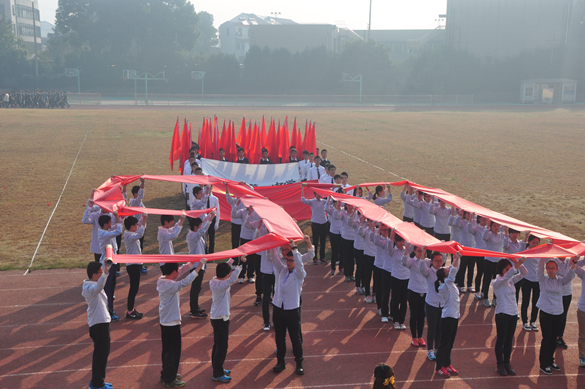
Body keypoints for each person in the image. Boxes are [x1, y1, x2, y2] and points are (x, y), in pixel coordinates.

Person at [158, 259, 206, 387]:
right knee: (173, 352)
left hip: (166, 321)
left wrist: (190, 263)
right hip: (171, 322)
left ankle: (167, 373)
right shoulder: (171, 285)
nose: (179, 272)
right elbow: (185, 282)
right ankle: (169, 379)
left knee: (167, 350)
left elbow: (180, 273)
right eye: (177, 270)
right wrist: (198, 268)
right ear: (173, 272)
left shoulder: (162, 279)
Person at [269, 236, 313, 376]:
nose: (288, 263)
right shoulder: (281, 270)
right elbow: (273, 256)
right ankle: (280, 362)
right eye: (287, 260)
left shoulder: (299, 274)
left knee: (295, 338)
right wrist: (273, 240)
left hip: (292, 310)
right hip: (278, 308)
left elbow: (299, 265)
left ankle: (299, 363)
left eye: (291, 260)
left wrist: (294, 248)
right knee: (279, 337)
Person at [537, 256, 576, 374]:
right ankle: (543, 364)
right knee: (547, 338)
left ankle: (550, 360)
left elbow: (570, 275)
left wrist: (573, 263)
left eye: (553, 268)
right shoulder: (542, 279)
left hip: (558, 313)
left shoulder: (561, 281)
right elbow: (539, 267)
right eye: (548, 268)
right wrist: (543, 256)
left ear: (557, 269)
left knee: (554, 339)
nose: (550, 270)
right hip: (546, 313)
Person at [209, 257, 244, 383]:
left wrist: (232, 258)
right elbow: (232, 278)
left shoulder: (214, 280)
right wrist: (240, 264)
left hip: (217, 317)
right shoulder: (222, 285)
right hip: (221, 319)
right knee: (221, 347)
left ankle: (218, 369)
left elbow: (227, 272)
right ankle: (217, 373)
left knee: (217, 345)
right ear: (226, 274)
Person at [492, 257, 527, 376]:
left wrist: (517, 263)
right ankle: (499, 364)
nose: (509, 271)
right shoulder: (496, 282)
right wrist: (515, 266)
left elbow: (525, 273)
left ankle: (507, 363)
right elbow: (507, 276)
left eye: (509, 269)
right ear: (501, 270)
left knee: (509, 340)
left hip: (512, 314)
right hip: (502, 314)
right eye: (506, 269)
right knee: (501, 340)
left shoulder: (511, 281)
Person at [83, 260, 113, 389]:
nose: (102, 274)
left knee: (102, 354)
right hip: (98, 325)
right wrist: (106, 272)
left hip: (102, 323)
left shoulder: (92, 285)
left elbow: (100, 286)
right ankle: (97, 384)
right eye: (100, 273)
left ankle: (98, 381)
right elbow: (99, 287)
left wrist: (105, 269)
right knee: (100, 355)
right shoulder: (89, 288)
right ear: (95, 275)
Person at [435, 252, 462, 378]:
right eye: (447, 270)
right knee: (444, 344)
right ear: (444, 275)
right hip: (447, 318)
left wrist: (458, 258)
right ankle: (439, 367)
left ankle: (447, 364)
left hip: (455, 317)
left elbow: (454, 268)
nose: (449, 269)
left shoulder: (450, 283)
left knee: (450, 344)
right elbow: (453, 271)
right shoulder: (444, 286)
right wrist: (455, 258)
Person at [186, 212, 216, 319]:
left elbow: (202, 225)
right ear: (195, 227)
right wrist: (210, 219)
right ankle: (194, 310)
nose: (200, 227)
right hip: (196, 266)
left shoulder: (194, 234)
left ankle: (195, 307)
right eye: (199, 226)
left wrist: (209, 217)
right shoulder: (193, 236)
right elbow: (203, 230)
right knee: (195, 288)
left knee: (197, 288)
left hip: (199, 265)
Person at [420, 251, 445, 361]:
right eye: (436, 261)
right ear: (431, 261)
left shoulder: (444, 272)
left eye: (440, 260)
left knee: (440, 328)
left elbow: (455, 270)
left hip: (442, 305)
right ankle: (430, 350)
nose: (439, 263)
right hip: (431, 304)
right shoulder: (429, 272)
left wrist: (456, 256)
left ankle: (437, 348)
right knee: (432, 328)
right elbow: (421, 268)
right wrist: (422, 254)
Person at [98, 213, 122, 321]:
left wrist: (119, 217)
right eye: (110, 222)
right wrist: (117, 217)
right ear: (105, 224)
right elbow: (118, 231)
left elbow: (116, 227)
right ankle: (108, 311)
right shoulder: (104, 233)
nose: (111, 223)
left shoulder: (105, 231)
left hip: (112, 261)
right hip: (108, 264)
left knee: (111, 288)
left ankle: (109, 309)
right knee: (108, 288)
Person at [123, 214, 148, 319]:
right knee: (133, 289)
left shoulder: (131, 233)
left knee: (135, 288)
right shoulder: (129, 235)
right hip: (133, 265)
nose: (138, 226)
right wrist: (144, 221)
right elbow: (140, 234)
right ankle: (130, 311)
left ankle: (131, 309)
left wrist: (143, 219)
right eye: (136, 224)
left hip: (136, 264)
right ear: (132, 226)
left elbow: (139, 233)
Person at [403, 244, 427, 347]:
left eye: (422, 251)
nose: (420, 253)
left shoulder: (427, 261)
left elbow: (440, 261)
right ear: (414, 251)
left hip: (425, 292)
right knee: (414, 314)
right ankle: (414, 337)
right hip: (413, 291)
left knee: (422, 315)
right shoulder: (411, 261)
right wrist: (406, 250)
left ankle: (420, 336)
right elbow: (404, 262)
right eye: (418, 251)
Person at [124, 178, 148, 274]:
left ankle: (139, 264)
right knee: (138, 247)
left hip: (138, 226)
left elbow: (138, 192)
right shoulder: (135, 202)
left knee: (139, 246)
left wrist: (141, 182)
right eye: (138, 192)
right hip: (137, 228)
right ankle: (139, 265)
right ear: (135, 194)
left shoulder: (136, 201)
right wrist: (142, 182)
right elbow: (140, 194)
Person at [301, 184, 328, 264]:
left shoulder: (324, 202)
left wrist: (332, 189)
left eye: (320, 194)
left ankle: (322, 257)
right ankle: (315, 257)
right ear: (315, 194)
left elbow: (332, 200)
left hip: (324, 223)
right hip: (315, 223)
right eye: (317, 193)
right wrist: (302, 188)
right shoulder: (312, 202)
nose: (319, 195)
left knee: (323, 241)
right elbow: (303, 200)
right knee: (315, 241)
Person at [481, 220, 506, 307]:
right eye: (494, 225)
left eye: (498, 225)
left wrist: (501, 218)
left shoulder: (501, 235)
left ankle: (495, 298)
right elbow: (483, 237)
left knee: (497, 280)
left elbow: (507, 235)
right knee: (487, 280)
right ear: (491, 226)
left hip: (499, 261)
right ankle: (485, 298)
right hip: (489, 260)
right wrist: (487, 227)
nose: (496, 227)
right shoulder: (488, 234)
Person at [521, 234, 542, 331]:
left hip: (537, 280)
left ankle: (533, 321)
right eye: (533, 242)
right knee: (526, 301)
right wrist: (525, 237)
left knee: (536, 302)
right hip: (527, 279)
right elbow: (520, 253)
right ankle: (525, 322)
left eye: (537, 243)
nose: (535, 244)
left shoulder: (540, 252)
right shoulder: (526, 251)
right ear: (529, 242)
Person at [389, 230, 409, 330]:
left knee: (404, 301)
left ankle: (402, 321)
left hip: (406, 278)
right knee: (396, 300)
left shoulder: (407, 250)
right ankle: (396, 320)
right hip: (396, 277)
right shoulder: (393, 250)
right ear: (395, 241)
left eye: (403, 241)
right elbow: (389, 244)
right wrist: (392, 234)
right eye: (399, 241)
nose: (401, 243)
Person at [454, 210, 476, 292]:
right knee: (462, 267)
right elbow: (456, 224)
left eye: (470, 213)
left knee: (471, 267)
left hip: (472, 248)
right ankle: (461, 284)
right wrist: (460, 214)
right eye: (467, 213)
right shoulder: (462, 221)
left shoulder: (475, 222)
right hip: (464, 247)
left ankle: (469, 285)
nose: (469, 215)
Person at [325, 197, 343, 275]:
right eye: (337, 202)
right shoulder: (331, 210)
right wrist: (328, 199)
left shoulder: (343, 210)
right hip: (333, 233)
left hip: (342, 233)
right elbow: (325, 208)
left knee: (342, 251)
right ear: (334, 203)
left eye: (340, 202)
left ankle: (341, 267)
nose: (339, 204)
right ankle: (333, 268)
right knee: (334, 251)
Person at [574, 256, 585, 367]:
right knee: (583, 335)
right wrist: (576, 256)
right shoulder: (583, 273)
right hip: (583, 309)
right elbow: (573, 266)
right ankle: (582, 357)